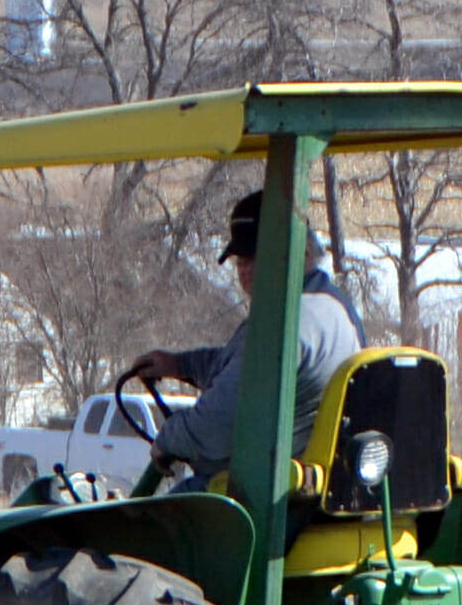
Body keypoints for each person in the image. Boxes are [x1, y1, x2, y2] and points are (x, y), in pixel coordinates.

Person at [109, 190, 362, 482]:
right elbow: (250, 366)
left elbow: (215, 428)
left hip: (269, 495)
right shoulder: (332, 306)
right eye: (241, 258)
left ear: (300, 249)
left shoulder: (282, 325)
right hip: (313, 483)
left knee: (148, 523)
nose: (245, 268)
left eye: (257, 255)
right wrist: (179, 366)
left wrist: (168, 439)